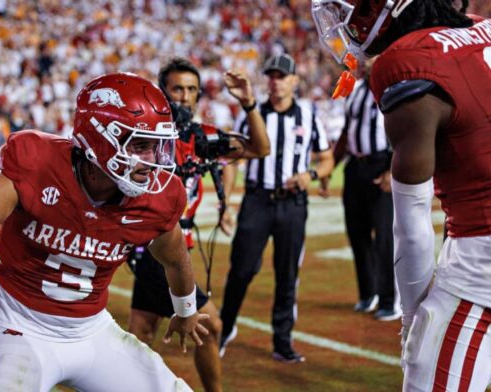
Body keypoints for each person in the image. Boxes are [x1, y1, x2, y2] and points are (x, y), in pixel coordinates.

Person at [0, 72, 210, 392]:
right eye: (139, 145)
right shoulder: (38, 164)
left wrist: (185, 311)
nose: (151, 161)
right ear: (99, 138)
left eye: (156, 146)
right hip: (21, 329)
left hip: (92, 331)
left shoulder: (158, 197)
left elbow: (177, 259)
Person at [313, 0, 491, 390]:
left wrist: (412, 320)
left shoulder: (408, 64)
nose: (343, 21)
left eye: (351, 8)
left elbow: (412, 224)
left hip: (482, 257)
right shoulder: (477, 27)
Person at [125, 57, 270, 392]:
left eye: (192, 89)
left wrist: (248, 103)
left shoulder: (201, 138)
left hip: (178, 247)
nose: (185, 96)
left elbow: (260, 148)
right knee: (211, 325)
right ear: (162, 93)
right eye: (177, 88)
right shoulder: (145, 137)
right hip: (150, 248)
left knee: (141, 330)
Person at [219, 53, 334, 363]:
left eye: (282, 76)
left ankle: (282, 341)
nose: (275, 81)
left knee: (287, 274)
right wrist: (225, 201)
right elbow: (233, 158)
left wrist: (309, 176)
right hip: (257, 201)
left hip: (292, 205)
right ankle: (224, 328)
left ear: (295, 80)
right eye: (271, 75)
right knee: (241, 269)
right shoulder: (251, 114)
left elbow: (326, 159)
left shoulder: (308, 116)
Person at [326, 58, 400, 321]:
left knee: (384, 238)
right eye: (365, 57)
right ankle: (368, 293)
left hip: (381, 165)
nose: (366, 62)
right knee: (357, 234)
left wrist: (393, 170)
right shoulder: (355, 90)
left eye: (373, 56)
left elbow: (405, 133)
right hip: (355, 168)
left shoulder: (394, 88)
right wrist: (329, 167)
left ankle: (390, 299)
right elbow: (347, 132)